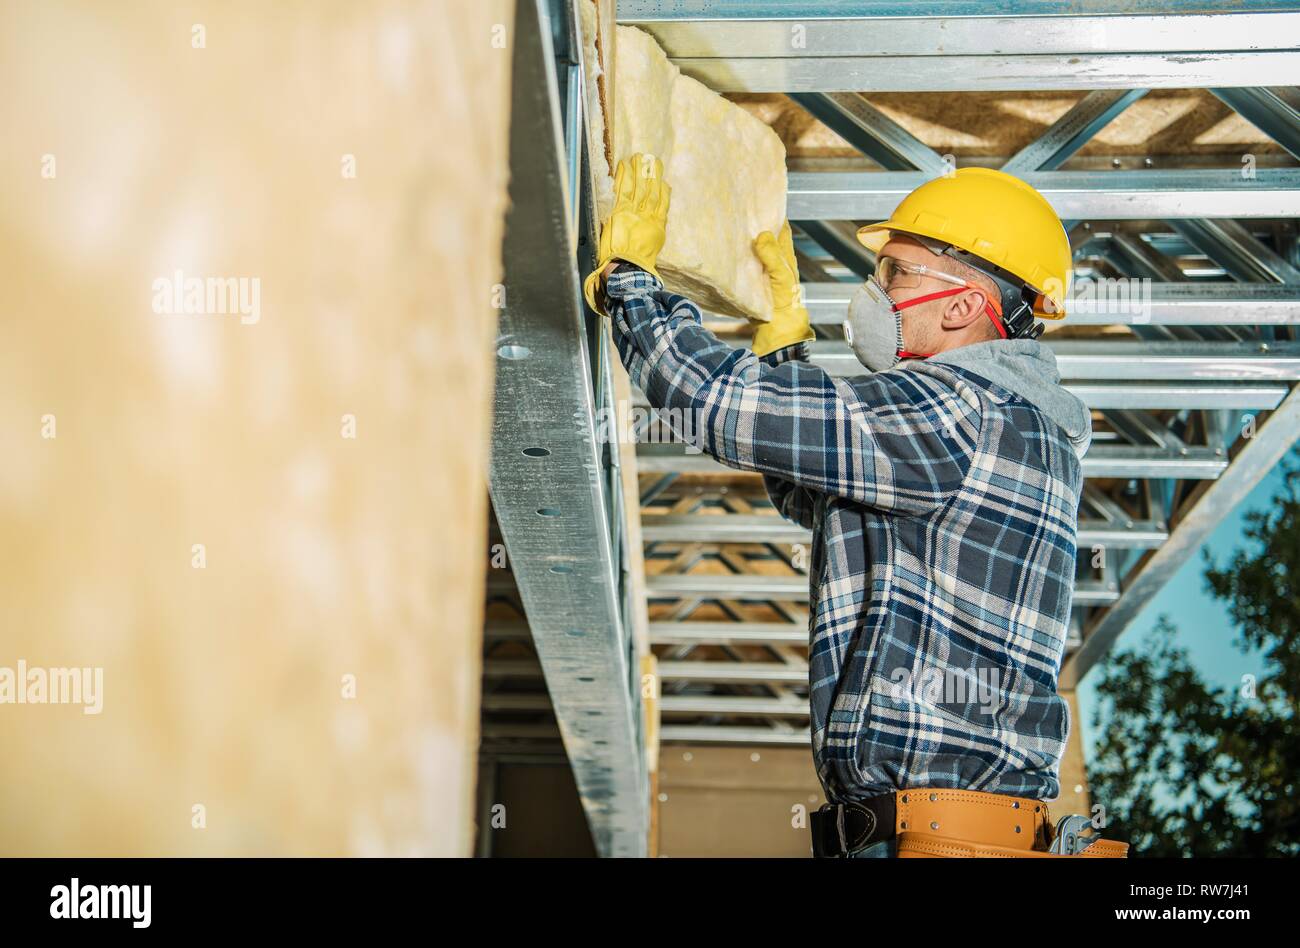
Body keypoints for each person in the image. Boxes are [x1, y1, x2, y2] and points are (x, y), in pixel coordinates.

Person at [585, 155, 1091, 858]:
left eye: (896, 274)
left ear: (963, 306)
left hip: (934, 837)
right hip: (942, 833)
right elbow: (825, 497)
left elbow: (713, 403)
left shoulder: (961, 411)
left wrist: (632, 282)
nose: (876, 292)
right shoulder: (1006, 422)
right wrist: (788, 354)